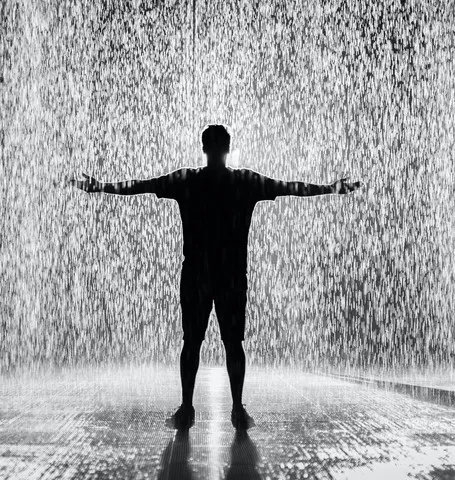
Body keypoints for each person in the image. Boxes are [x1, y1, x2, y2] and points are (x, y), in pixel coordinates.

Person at [71, 124, 361, 431]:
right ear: (228, 148)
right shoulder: (245, 181)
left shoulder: (187, 180)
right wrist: (330, 188)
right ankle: (237, 409)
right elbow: (291, 187)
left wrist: (101, 186)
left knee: (192, 342)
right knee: (233, 343)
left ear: (204, 148)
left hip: (196, 274)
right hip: (232, 275)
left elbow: (139, 185)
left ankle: (187, 408)